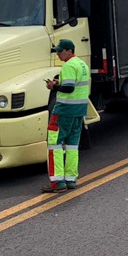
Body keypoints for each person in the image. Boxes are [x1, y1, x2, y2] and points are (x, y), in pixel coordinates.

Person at [42, 39, 90, 193]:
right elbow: (75, 85)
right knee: (72, 146)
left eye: (60, 51)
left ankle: (57, 183)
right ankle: (70, 179)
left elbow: (68, 89)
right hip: (79, 111)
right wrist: (59, 82)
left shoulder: (69, 66)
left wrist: (54, 86)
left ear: (69, 50)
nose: (58, 54)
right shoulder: (82, 65)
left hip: (64, 111)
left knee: (54, 145)